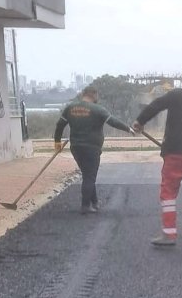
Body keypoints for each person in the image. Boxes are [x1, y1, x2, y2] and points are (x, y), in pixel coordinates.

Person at [132, 68, 182, 247]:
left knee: (168, 192)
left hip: (176, 152)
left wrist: (140, 121)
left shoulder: (176, 95)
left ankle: (169, 234)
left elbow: (156, 105)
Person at [54, 85, 132, 214]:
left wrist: (57, 142)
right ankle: (85, 206)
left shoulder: (70, 108)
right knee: (90, 176)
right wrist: (128, 129)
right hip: (91, 148)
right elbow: (112, 121)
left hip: (76, 148)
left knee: (87, 175)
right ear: (94, 95)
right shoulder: (97, 109)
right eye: (97, 96)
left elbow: (59, 125)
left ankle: (94, 202)